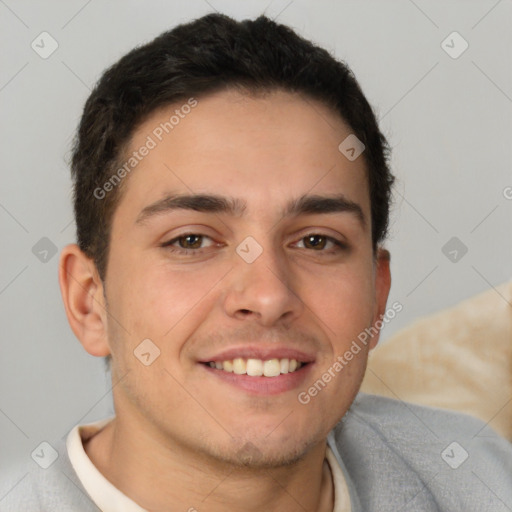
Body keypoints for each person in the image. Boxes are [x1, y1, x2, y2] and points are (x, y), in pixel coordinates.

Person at [1, 12, 511, 512]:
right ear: (89, 301)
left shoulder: (482, 476)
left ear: (378, 298)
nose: (268, 296)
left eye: (316, 241)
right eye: (192, 241)